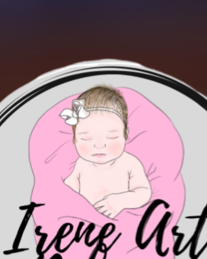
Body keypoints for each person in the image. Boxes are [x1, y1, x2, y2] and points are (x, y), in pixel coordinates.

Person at [59, 86, 152, 219]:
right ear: (75, 138)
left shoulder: (130, 163)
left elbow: (143, 192)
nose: (99, 145)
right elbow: (68, 191)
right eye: (86, 138)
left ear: (125, 135)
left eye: (111, 137)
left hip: (122, 222)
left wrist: (121, 201)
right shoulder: (81, 164)